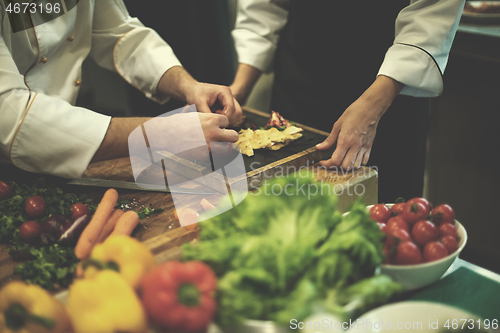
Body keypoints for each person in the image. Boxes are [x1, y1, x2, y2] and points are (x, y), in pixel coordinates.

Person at [229, 0, 465, 202]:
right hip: (300, 77)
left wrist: (373, 107)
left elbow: (430, 15)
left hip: (388, 92)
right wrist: (239, 90)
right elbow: (265, 7)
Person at [0, 0, 242, 179]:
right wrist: (159, 134)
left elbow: (121, 34)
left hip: (64, 156)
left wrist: (189, 86)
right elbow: (10, 113)